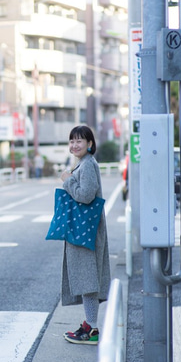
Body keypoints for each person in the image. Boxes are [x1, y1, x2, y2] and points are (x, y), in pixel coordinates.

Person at [59, 125, 110, 345]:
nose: (74, 145)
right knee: (87, 278)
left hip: (86, 231)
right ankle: (89, 324)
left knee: (89, 280)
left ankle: (92, 330)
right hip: (85, 229)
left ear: (90, 144)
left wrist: (67, 180)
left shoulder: (88, 165)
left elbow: (86, 195)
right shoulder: (84, 164)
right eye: (72, 141)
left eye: (80, 141)